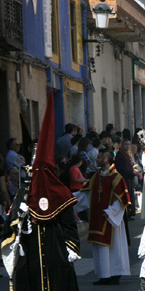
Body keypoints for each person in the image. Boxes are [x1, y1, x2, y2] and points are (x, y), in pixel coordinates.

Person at [1, 89, 80, 291]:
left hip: (56, 251)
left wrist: (69, 248)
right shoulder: (24, 193)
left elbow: (70, 225)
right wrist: (21, 221)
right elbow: (11, 224)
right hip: (31, 250)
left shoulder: (60, 193)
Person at [76, 150, 131, 285]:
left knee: (114, 247)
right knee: (100, 248)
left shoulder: (116, 177)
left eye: (100, 157)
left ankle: (115, 274)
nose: (97, 159)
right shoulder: (96, 177)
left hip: (110, 218)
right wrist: (67, 199)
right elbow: (85, 195)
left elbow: (121, 199)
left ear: (106, 159)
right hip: (97, 218)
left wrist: (111, 211)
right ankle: (104, 275)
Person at [115, 139, 137, 217]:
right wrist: (130, 173)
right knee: (126, 196)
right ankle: (126, 213)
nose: (127, 146)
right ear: (121, 145)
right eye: (125, 144)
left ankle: (129, 213)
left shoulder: (125, 154)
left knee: (130, 196)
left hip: (128, 178)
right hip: (124, 178)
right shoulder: (120, 155)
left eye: (128, 144)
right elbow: (122, 168)